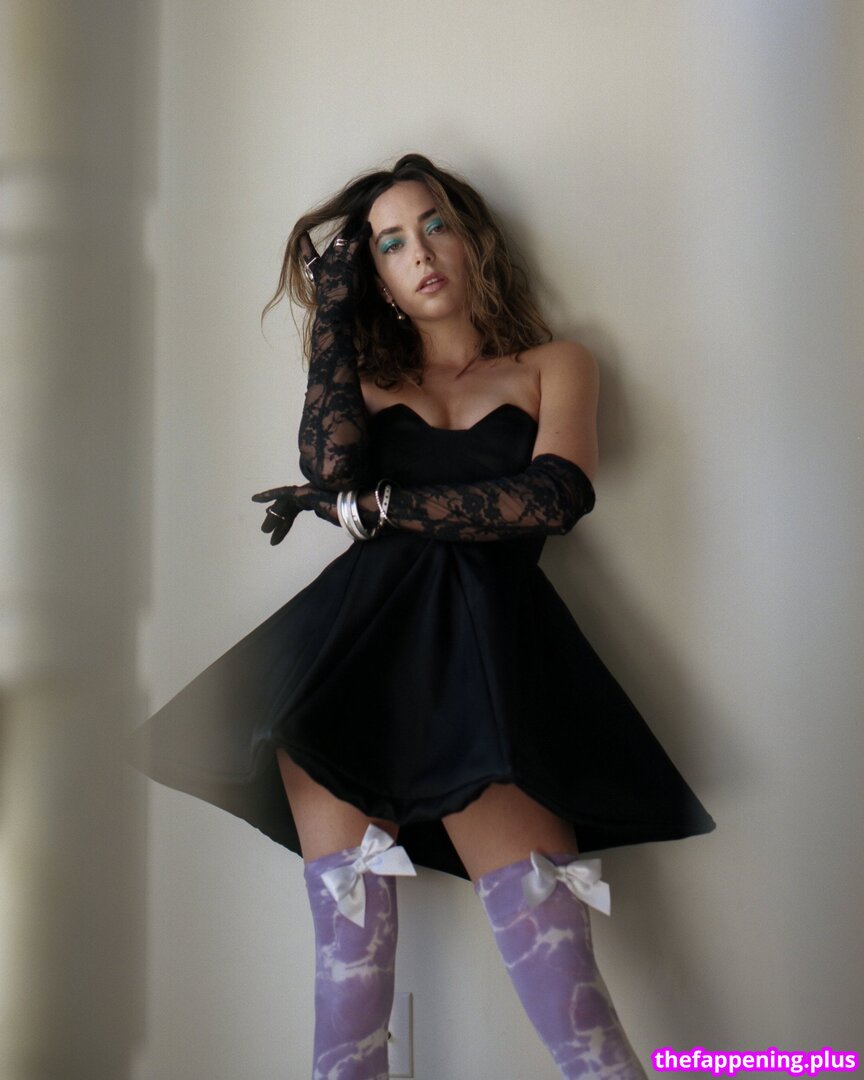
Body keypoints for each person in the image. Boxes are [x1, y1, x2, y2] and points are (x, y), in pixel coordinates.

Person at [131, 154, 714, 1080]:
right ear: (377, 276)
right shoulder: (364, 385)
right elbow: (329, 472)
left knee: (577, 1015)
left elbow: (555, 496)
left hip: (490, 672)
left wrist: (381, 509)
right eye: (389, 244)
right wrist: (331, 313)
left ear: (472, 238)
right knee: (348, 1019)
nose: (420, 254)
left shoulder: (555, 364)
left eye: (434, 225)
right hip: (346, 670)